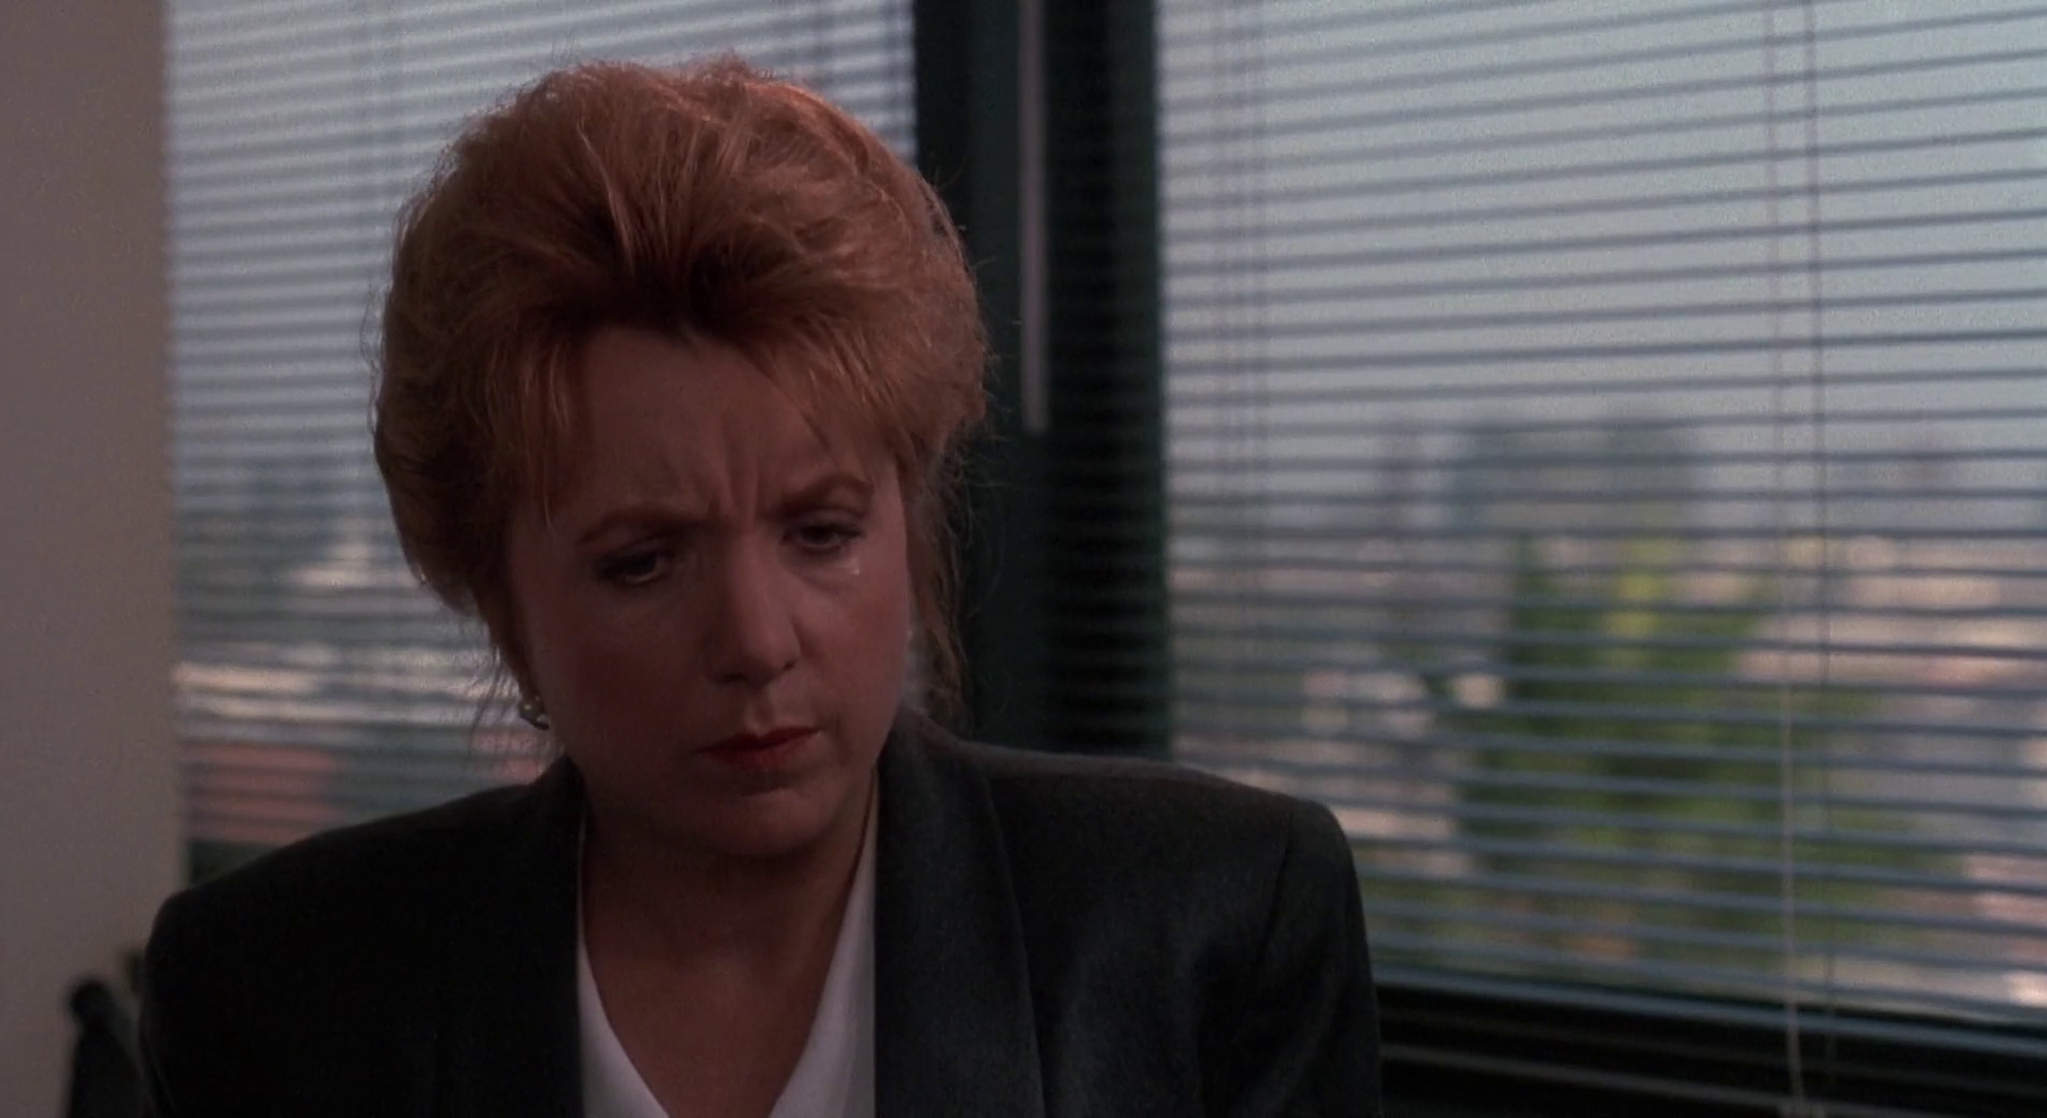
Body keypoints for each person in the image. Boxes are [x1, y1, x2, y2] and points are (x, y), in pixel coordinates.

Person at [137, 57, 1380, 1116]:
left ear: (913, 526)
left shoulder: (1211, 927)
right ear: (498, 601)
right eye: (642, 560)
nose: (755, 637)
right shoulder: (277, 991)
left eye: (821, 532)